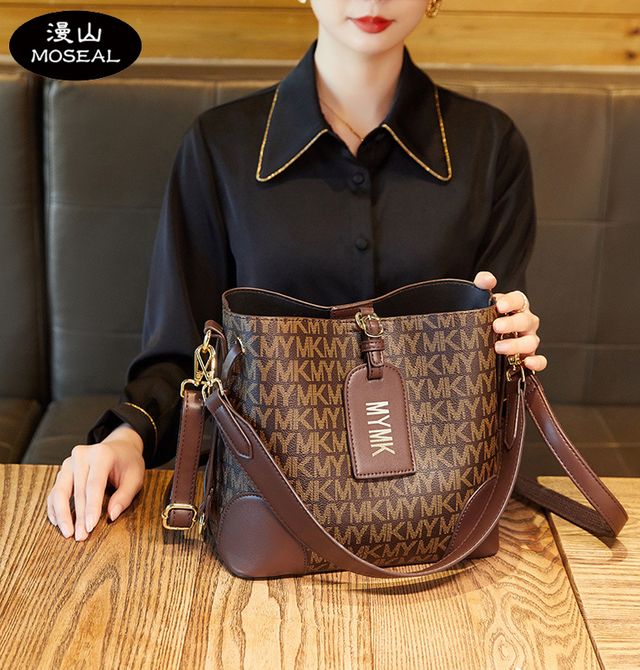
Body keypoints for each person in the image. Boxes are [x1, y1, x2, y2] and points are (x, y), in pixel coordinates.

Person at [46, 0, 547, 542]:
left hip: (441, 497)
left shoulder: (491, 145)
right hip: (264, 486)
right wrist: (127, 438)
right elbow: (183, 343)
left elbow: (493, 356)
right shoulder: (220, 144)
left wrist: (509, 340)